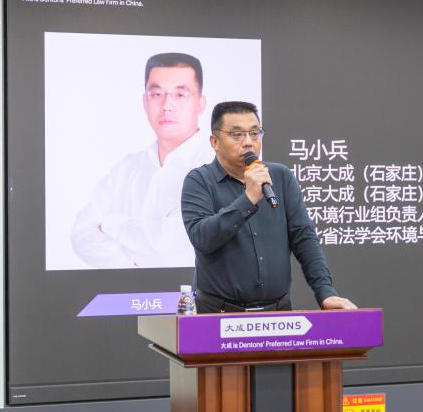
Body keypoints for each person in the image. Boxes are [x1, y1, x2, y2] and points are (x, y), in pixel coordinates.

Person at [181, 101, 357, 312]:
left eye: (255, 133)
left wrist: (325, 292)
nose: (248, 142)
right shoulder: (199, 181)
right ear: (215, 141)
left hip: (278, 313)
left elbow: (304, 237)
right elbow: (202, 238)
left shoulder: (280, 177)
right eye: (237, 135)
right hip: (219, 314)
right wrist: (248, 199)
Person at [71, 53, 214, 268]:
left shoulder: (217, 167)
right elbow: (82, 232)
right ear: (145, 102)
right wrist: (130, 270)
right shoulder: (126, 169)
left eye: (179, 94)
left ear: (200, 104)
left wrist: (110, 223)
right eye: (156, 94)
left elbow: (174, 245)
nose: (167, 105)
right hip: (129, 289)